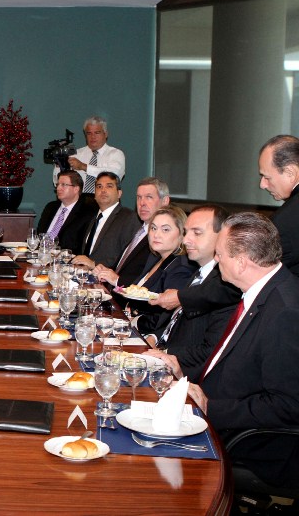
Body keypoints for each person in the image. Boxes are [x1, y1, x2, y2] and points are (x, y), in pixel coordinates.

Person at [184, 212, 299, 488]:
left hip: (249, 442)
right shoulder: (261, 290)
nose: (216, 259)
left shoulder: (285, 311)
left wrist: (210, 407)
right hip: (218, 414)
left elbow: (287, 405)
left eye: (220, 254)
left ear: (242, 262)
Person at [144, 205, 241, 379]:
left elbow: (209, 350)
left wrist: (163, 353)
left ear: (222, 236)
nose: (186, 240)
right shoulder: (200, 272)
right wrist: (154, 338)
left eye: (197, 233)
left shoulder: (226, 284)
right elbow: (175, 323)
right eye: (186, 232)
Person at [124, 206, 197, 335]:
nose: (156, 235)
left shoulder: (181, 268)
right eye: (153, 228)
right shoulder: (155, 259)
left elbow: (164, 319)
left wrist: (133, 321)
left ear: (182, 235)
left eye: (165, 230)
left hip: (146, 336)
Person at [93, 177, 171, 288]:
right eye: (139, 197)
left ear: (165, 201)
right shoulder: (139, 230)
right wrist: (105, 272)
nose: (142, 203)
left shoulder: (162, 239)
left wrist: (117, 280)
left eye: (149, 197)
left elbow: (149, 284)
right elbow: (124, 269)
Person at [72, 172, 140, 269]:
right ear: (94, 194)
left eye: (109, 186)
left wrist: (94, 265)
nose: (103, 190)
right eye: (99, 186)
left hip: (107, 277)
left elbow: (128, 260)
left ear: (119, 193)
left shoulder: (129, 218)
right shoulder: (92, 218)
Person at [257, 134, 299, 275]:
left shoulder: (283, 222)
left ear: (290, 173)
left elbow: (260, 274)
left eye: (267, 177)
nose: (262, 185)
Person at [52, 116, 125, 194]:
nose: (93, 137)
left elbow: (113, 175)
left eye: (97, 133)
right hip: (78, 200)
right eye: (89, 133)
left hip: (104, 199)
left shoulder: (116, 154)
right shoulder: (76, 154)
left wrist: (84, 167)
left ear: (106, 134)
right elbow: (57, 182)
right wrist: (59, 165)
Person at [36, 170, 98, 253]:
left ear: (76, 189)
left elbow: (80, 246)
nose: (58, 188)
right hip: (42, 254)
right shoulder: (50, 207)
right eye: (57, 185)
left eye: (63, 185)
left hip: (67, 258)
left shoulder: (86, 213)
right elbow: (39, 235)